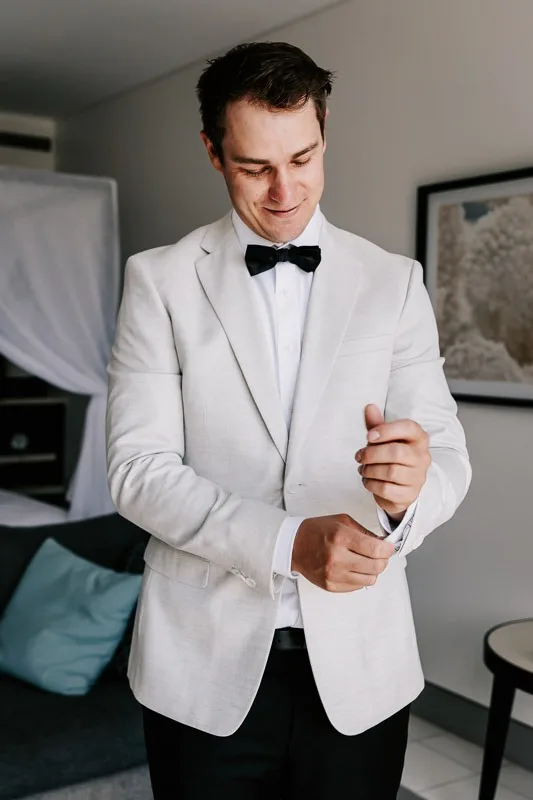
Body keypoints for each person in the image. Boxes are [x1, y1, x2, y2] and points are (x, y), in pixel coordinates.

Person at [106, 41, 471, 800]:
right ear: (212, 152)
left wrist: (410, 490)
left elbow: (444, 456)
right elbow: (137, 471)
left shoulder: (394, 283)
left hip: (362, 664)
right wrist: (287, 542)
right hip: (200, 668)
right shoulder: (158, 281)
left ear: (324, 133)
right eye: (254, 166)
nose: (283, 191)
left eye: (302, 158)